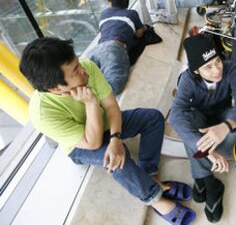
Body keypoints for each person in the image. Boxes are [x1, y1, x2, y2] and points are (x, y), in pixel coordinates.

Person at [19, 37, 196, 225]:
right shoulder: (42, 114)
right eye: (75, 71)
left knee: (152, 118)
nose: (83, 69)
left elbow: (112, 106)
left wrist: (115, 138)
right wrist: (90, 103)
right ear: (55, 88)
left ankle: (148, 174)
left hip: (104, 122)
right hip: (81, 145)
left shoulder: (87, 67)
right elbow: (92, 142)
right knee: (116, 158)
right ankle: (155, 198)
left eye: (78, 62)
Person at [169, 34, 236, 222]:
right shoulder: (187, 79)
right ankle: (210, 183)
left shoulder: (231, 69)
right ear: (196, 71)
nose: (216, 70)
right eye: (208, 67)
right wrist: (204, 150)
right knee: (190, 121)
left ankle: (201, 179)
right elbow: (176, 115)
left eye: (218, 61)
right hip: (201, 118)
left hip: (222, 115)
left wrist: (225, 126)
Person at [88, 0, 146, 95]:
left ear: (109, 2)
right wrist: (141, 30)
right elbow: (139, 34)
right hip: (114, 48)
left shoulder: (104, 14)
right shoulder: (131, 14)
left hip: (97, 49)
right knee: (114, 87)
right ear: (127, 1)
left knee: (86, 75)